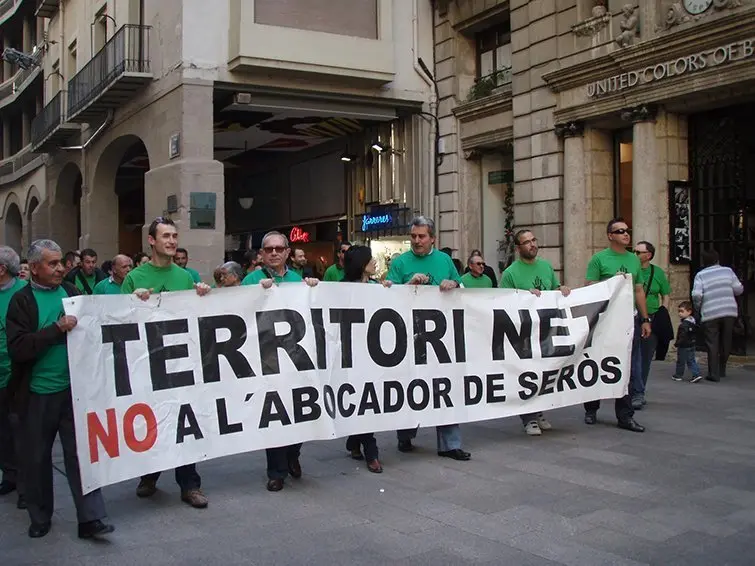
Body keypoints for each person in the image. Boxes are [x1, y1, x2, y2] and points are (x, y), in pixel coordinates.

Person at [6, 239, 114, 539]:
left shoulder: (72, 292)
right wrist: (56, 330)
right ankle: (40, 517)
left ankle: (90, 519)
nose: (60, 268)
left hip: (74, 392)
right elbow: (18, 348)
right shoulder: (22, 301)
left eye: (60, 263)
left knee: (81, 456)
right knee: (37, 457)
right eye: (52, 264)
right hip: (37, 394)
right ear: (35, 268)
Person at [121, 217, 211, 509]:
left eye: (174, 236)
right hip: (148, 363)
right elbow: (118, 319)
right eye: (166, 236)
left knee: (184, 421)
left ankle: (190, 485)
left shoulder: (185, 277)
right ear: (151, 241)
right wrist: (134, 303)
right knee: (154, 420)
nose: (172, 241)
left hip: (179, 361)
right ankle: (149, 475)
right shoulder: (135, 277)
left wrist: (203, 299)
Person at [387, 216, 471, 461]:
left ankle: (450, 444)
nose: (416, 240)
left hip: (441, 338)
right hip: (410, 338)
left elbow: (462, 286)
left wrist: (453, 282)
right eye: (413, 236)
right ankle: (405, 434)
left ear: (432, 238)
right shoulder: (400, 263)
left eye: (421, 236)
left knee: (445, 387)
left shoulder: (445, 260)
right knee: (411, 386)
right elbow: (388, 296)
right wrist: (408, 286)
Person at [242, 231, 318, 491]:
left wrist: (313, 290)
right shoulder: (250, 280)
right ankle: (276, 471)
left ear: (287, 252)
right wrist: (254, 295)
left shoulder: (299, 280)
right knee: (274, 414)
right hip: (267, 358)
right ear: (261, 254)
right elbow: (239, 314)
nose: (274, 253)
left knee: (298, 410)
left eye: (279, 248)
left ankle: (292, 454)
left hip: (296, 357)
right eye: (268, 249)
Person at [500, 229, 570, 436]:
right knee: (527, 373)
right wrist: (524, 297)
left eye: (533, 240)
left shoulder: (547, 267)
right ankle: (528, 417)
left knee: (543, 372)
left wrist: (562, 290)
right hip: (523, 333)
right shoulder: (511, 273)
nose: (532, 245)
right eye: (526, 242)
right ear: (518, 248)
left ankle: (538, 411)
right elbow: (503, 303)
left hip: (545, 330)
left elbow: (554, 290)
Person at [583, 218, 649, 433]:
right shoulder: (598, 259)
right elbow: (590, 287)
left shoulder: (634, 260)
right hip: (606, 320)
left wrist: (645, 318)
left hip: (629, 320)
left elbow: (638, 290)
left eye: (627, 230)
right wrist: (612, 282)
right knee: (599, 364)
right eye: (620, 231)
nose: (625, 234)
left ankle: (625, 415)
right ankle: (591, 408)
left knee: (627, 368)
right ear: (610, 235)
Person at [342, 245, 390, 473]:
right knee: (360, 400)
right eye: (371, 260)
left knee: (367, 401)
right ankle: (371, 452)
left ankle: (354, 441)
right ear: (362, 264)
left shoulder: (375, 287)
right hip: (349, 356)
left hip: (372, 355)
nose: (375, 263)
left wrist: (388, 291)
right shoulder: (339, 289)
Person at [0, 246, 27, 510]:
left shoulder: (23, 294)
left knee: (22, 431)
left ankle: (27, 486)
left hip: (17, 376)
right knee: (4, 432)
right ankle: (10, 474)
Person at [692, 249, 744, 382]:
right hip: (729, 310)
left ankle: (713, 373)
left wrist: (698, 307)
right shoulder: (728, 271)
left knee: (712, 342)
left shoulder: (701, 275)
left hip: (710, 312)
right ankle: (722, 368)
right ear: (717, 259)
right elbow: (738, 289)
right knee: (726, 340)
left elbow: (697, 295)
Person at [632, 241, 671, 408]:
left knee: (645, 357)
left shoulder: (658, 273)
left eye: (638, 252)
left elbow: (666, 294)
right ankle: (632, 390)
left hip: (652, 318)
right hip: (633, 317)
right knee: (633, 357)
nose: (635, 255)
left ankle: (639, 393)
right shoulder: (631, 270)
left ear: (648, 255)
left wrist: (663, 311)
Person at [673, 301, 702, 383]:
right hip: (692, 344)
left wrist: (677, 343)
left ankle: (678, 375)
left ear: (689, 312)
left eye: (682, 311)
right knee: (691, 360)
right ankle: (696, 374)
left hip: (683, 345)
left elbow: (682, 336)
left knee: (681, 361)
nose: (679, 313)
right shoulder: (693, 322)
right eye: (679, 311)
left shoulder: (684, 324)